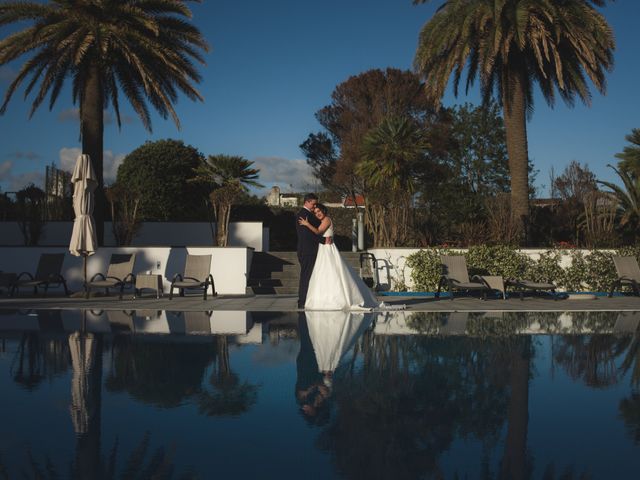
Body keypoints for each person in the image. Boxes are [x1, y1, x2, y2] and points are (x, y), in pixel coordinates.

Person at [298, 204, 378, 310]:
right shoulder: (320, 221)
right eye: (316, 212)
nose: (318, 213)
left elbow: (318, 232)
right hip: (322, 249)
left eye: (319, 211)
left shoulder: (326, 220)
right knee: (322, 274)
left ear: (324, 211)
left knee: (332, 272)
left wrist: (306, 224)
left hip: (328, 249)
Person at [295, 193, 331, 309]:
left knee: (311, 276)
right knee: (306, 276)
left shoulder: (308, 214)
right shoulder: (303, 214)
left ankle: (307, 300)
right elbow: (307, 235)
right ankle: (302, 301)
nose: (315, 206)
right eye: (313, 204)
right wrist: (322, 240)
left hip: (310, 250)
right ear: (307, 202)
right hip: (307, 250)